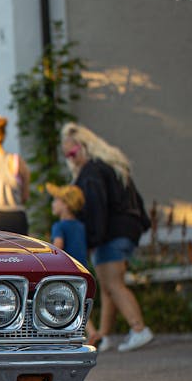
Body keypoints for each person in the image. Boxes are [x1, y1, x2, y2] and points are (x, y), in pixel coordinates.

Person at [60, 122, 153, 353]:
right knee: (108, 286)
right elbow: (137, 203)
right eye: (66, 155)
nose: (70, 159)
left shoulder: (91, 172)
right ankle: (105, 335)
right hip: (125, 231)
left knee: (113, 283)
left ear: (84, 147)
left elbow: (97, 210)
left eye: (72, 152)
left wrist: (91, 240)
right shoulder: (112, 166)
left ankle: (139, 329)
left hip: (110, 233)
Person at [46, 182, 99, 345]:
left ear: (66, 205)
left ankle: (89, 333)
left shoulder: (59, 226)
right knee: (80, 303)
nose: (53, 204)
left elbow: (58, 247)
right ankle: (92, 332)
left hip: (66, 271)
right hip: (82, 269)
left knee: (70, 304)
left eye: (56, 200)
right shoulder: (80, 226)